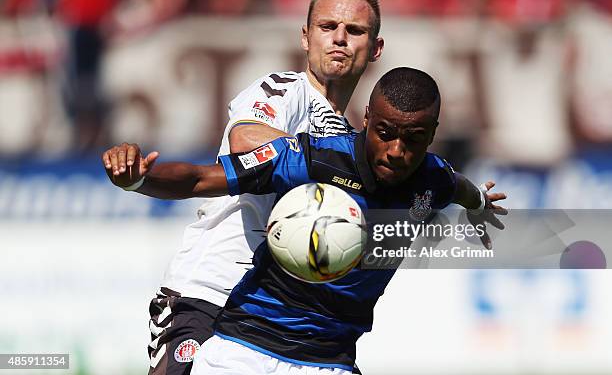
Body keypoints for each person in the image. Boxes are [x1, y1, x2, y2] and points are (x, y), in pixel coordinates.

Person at [105, 67, 507, 374]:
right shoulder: (311, 159)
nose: (396, 150)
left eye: (414, 139)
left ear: (433, 133)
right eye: (384, 132)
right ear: (366, 118)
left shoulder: (433, 179)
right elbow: (200, 178)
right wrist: (138, 178)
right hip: (244, 351)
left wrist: (479, 204)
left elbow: (459, 186)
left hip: (331, 360)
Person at [102, 0, 384, 375]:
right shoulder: (285, 90)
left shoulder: (350, 140)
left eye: (354, 31)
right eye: (327, 27)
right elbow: (245, 140)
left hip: (273, 315)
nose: (339, 38)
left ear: (375, 48)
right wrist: (326, 165)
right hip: (208, 295)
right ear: (305, 37)